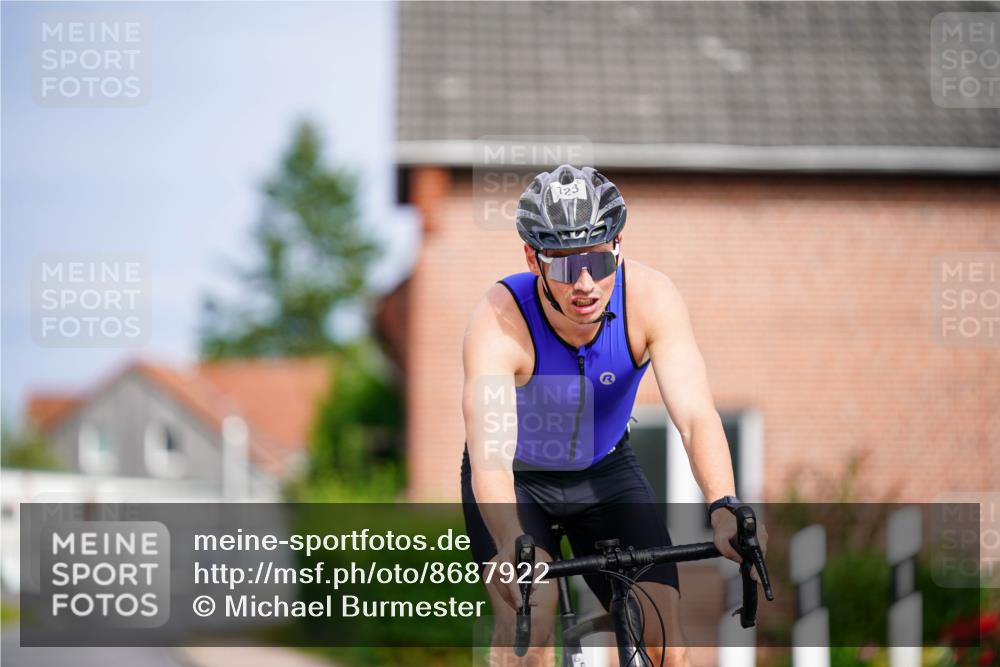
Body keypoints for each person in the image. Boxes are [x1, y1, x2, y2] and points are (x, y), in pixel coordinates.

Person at [460, 164, 766, 666]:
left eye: (599, 261)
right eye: (564, 267)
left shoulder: (651, 299)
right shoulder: (500, 319)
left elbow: (695, 416)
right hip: (517, 480)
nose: (584, 284)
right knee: (532, 621)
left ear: (619, 246)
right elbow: (490, 456)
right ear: (532, 259)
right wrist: (511, 539)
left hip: (605, 470)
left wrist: (723, 504)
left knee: (666, 640)